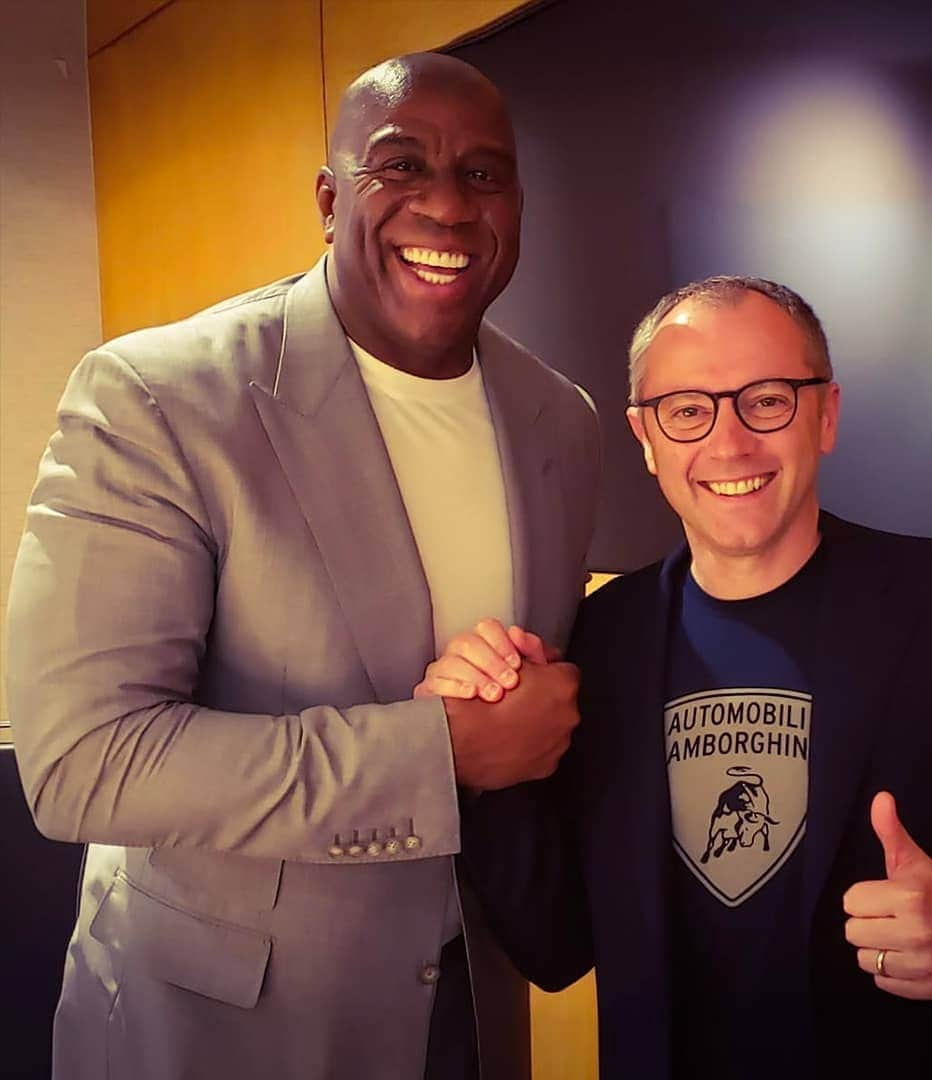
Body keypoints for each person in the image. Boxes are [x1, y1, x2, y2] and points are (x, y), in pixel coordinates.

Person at [7, 52, 599, 1080]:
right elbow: (82, 763)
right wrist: (436, 754)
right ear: (330, 200)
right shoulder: (159, 398)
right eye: (399, 166)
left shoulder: (566, 424)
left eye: (484, 174)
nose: (448, 207)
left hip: (471, 1002)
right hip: (223, 1022)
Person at [418, 277, 932, 1079]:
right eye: (689, 409)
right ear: (646, 437)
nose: (729, 444)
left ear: (826, 414)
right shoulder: (598, 639)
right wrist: (481, 760)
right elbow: (555, 949)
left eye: (767, 401)